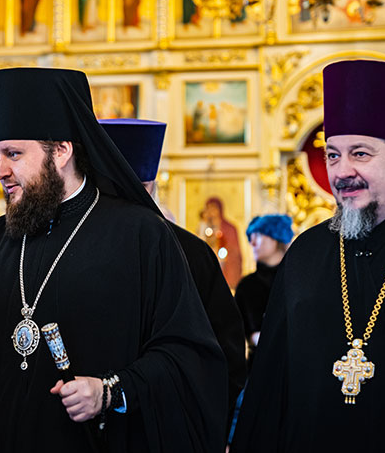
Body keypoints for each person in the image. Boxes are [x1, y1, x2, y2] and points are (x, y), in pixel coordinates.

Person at [0, 68, 227, 453]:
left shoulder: (139, 235)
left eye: (13, 154)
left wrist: (110, 391)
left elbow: (187, 353)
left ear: (61, 150)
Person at [226, 60, 385, 453]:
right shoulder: (307, 253)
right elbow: (270, 393)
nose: (340, 172)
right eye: (332, 154)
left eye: (360, 153)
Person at [99, 118, 246, 428]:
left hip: (169, 429)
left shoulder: (192, 252)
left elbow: (225, 357)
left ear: (148, 188)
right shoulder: (76, 244)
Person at [233, 214, 293, 367]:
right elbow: (234, 330)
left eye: (258, 236)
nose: (252, 243)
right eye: (250, 238)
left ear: (276, 238)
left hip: (294, 365)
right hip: (258, 365)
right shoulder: (246, 285)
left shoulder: (298, 279)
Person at [202, 196, 242, 289]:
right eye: (208, 208)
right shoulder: (203, 227)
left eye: (214, 208)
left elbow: (235, 255)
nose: (211, 212)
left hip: (225, 271)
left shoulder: (230, 228)